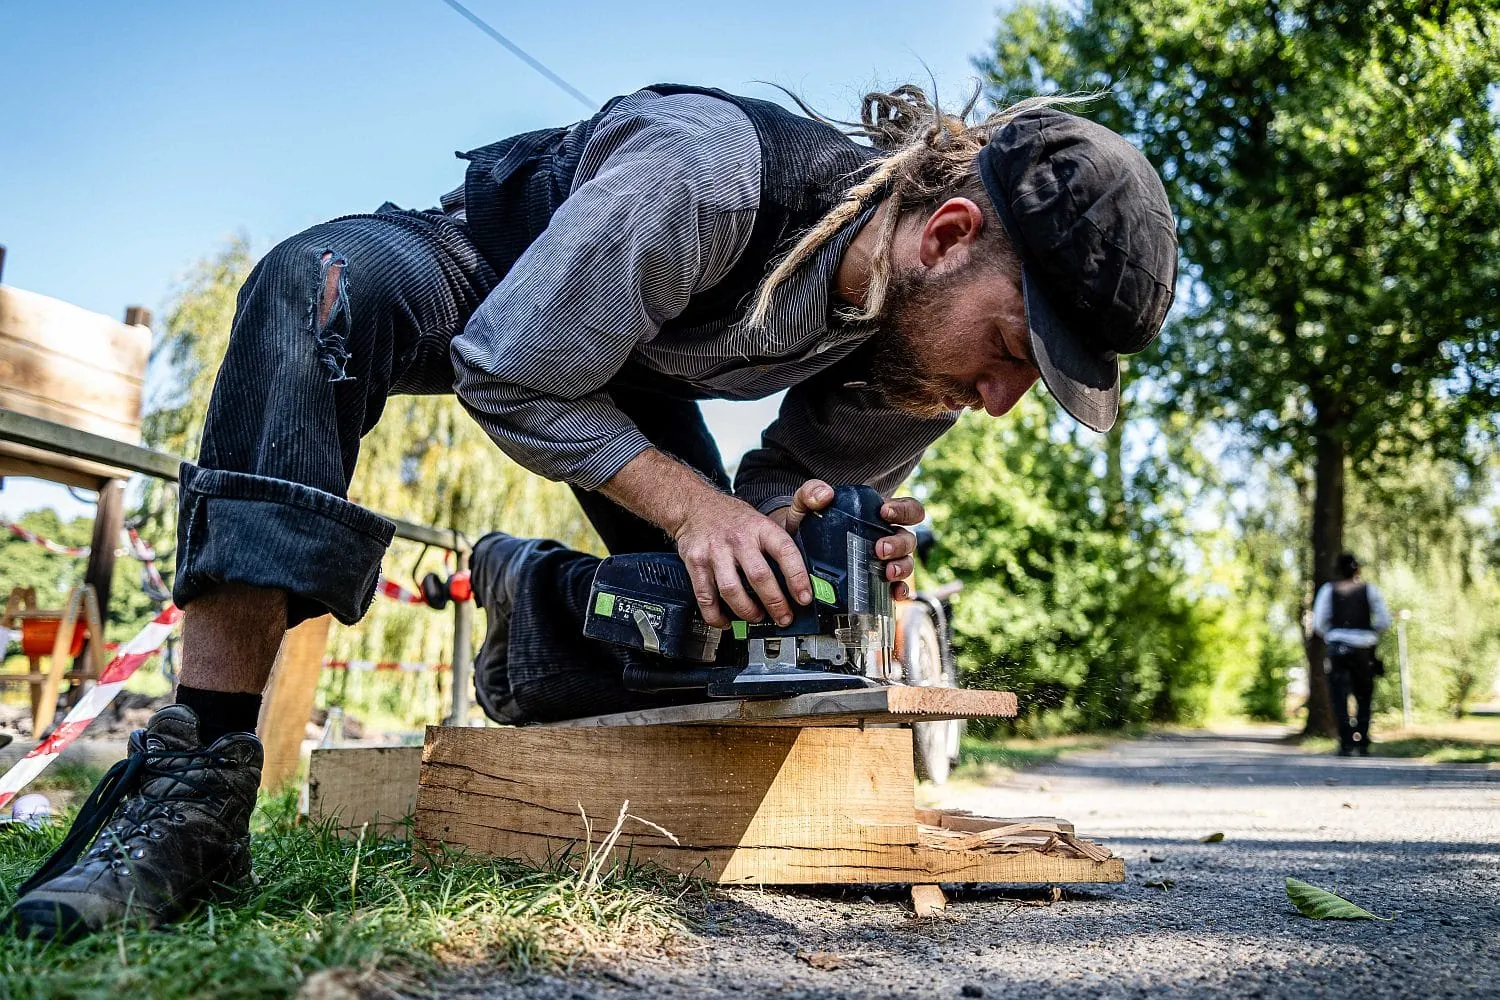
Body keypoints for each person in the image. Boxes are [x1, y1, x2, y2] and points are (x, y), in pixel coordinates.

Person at [8, 83, 1177, 938]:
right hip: (499, 279)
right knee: (318, 289)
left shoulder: (921, 350)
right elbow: (511, 366)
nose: (1004, 399)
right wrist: (688, 504)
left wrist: (819, 540)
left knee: (752, 608)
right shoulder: (708, 174)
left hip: (631, 372)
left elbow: (777, 496)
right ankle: (191, 785)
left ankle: (539, 605)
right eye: (1017, 350)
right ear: (949, 236)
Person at [1313, 552, 1391, 756]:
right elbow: (1384, 620)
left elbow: (1319, 622)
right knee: (1364, 694)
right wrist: (1370, 631)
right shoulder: (1369, 590)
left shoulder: (1328, 590)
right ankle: (1363, 740)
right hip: (1364, 648)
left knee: (1339, 695)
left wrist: (1332, 633)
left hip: (1338, 647)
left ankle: (1346, 742)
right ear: (1358, 569)